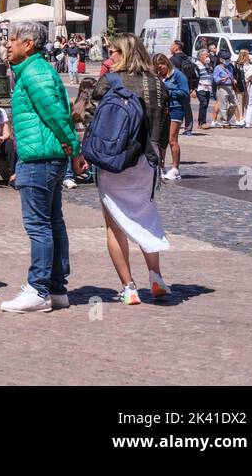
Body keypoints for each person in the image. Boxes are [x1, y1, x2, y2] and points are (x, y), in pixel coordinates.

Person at [0, 19, 84, 314]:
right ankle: (57, 288)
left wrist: (74, 150)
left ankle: (38, 289)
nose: (7, 44)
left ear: (29, 44)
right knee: (53, 222)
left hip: (39, 159)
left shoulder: (34, 73)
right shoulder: (33, 71)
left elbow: (58, 116)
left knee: (39, 226)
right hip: (46, 156)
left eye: (12, 39)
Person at [83, 33, 171, 305]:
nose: (111, 57)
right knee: (145, 213)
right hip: (148, 158)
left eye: (114, 52)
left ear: (125, 53)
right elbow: (165, 126)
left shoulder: (110, 81)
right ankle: (155, 276)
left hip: (115, 157)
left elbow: (91, 116)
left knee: (114, 223)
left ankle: (128, 287)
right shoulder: (158, 83)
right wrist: (161, 158)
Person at [154, 54, 187, 180]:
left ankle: (175, 168)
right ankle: (161, 166)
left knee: (172, 139)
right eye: (157, 68)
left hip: (175, 108)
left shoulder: (178, 75)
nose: (159, 70)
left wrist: (167, 90)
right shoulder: (157, 76)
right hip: (161, 109)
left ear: (166, 63)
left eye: (160, 67)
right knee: (161, 140)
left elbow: (184, 92)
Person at [169, 41, 196, 136]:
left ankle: (172, 127)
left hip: (175, 87)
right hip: (187, 87)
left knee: (173, 107)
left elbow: (171, 74)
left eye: (172, 45)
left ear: (176, 47)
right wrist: (192, 88)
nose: (170, 47)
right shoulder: (187, 58)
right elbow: (193, 74)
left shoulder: (173, 60)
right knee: (187, 108)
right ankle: (189, 129)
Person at [209, 52, 237, 128]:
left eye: (228, 59)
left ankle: (226, 118)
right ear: (221, 59)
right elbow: (215, 79)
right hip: (222, 87)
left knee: (234, 104)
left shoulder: (230, 67)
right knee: (223, 105)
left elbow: (231, 75)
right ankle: (225, 122)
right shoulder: (217, 68)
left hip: (230, 87)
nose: (228, 60)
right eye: (226, 59)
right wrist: (222, 79)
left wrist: (233, 80)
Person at [194, 48, 214, 130]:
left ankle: (201, 122)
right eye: (206, 56)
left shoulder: (207, 65)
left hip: (208, 88)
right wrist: (194, 90)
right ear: (200, 57)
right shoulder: (196, 66)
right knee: (203, 103)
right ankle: (202, 123)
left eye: (208, 55)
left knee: (205, 105)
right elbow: (194, 78)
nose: (207, 57)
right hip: (200, 87)